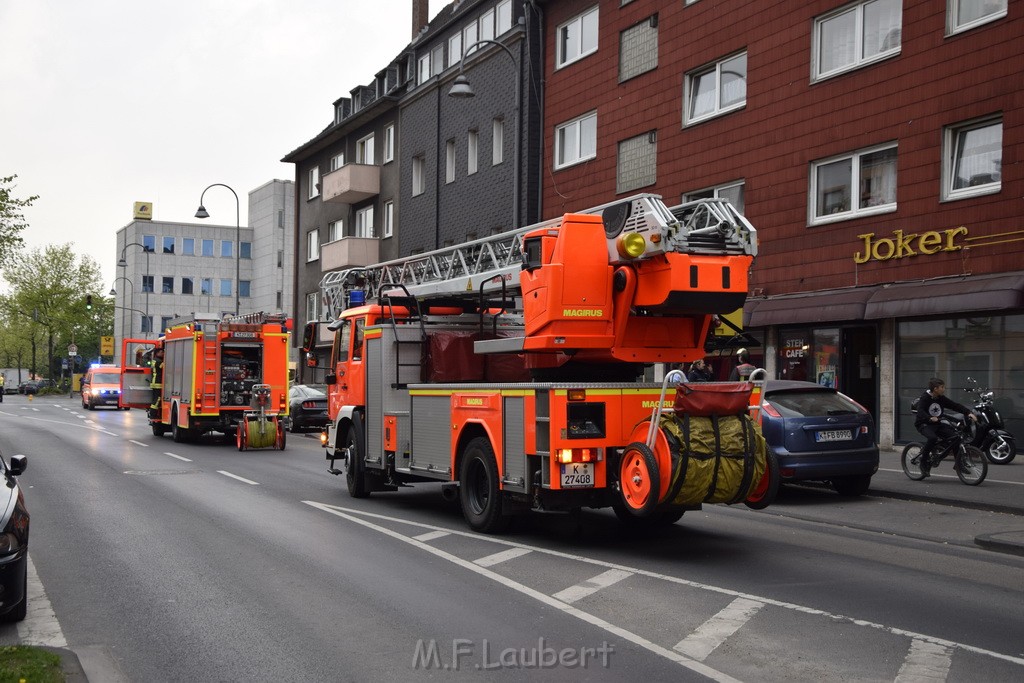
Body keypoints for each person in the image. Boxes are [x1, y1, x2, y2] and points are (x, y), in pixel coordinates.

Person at [914, 377, 977, 477]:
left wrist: (968, 412)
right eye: (942, 387)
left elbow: (955, 405)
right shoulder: (925, 397)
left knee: (956, 438)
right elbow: (920, 411)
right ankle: (923, 462)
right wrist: (930, 418)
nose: (944, 389)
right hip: (923, 424)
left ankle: (958, 464)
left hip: (937, 424)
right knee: (932, 438)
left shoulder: (941, 398)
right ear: (935, 389)